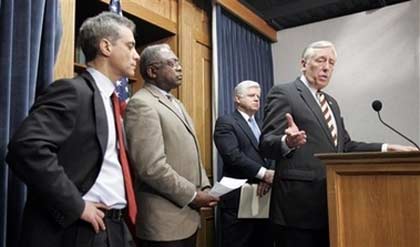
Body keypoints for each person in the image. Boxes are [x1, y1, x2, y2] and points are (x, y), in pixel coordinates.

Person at [259, 40, 417, 247]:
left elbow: (346, 147)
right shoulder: (284, 92)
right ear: (303, 63)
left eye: (332, 63)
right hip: (298, 208)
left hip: (332, 201)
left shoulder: (331, 103)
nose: (327, 67)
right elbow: (266, 143)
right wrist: (287, 141)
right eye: (321, 60)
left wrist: (388, 148)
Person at [6, 12, 140, 247]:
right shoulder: (73, 91)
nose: (136, 56)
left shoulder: (113, 102)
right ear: (106, 46)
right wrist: (76, 206)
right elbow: (25, 147)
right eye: (130, 46)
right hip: (80, 230)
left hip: (116, 229)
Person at [124, 43, 219, 247]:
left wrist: (205, 186)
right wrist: (193, 195)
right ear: (152, 71)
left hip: (187, 217)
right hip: (163, 224)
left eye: (179, 62)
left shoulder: (177, 103)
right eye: (172, 63)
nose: (179, 67)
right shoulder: (141, 104)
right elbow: (151, 167)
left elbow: (193, 151)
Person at [214, 80, 274, 247]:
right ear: (237, 99)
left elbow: (273, 154)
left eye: (258, 96)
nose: (256, 99)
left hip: (264, 195)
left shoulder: (263, 124)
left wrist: (267, 176)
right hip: (238, 198)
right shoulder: (226, 122)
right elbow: (233, 156)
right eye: (251, 95)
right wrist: (264, 173)